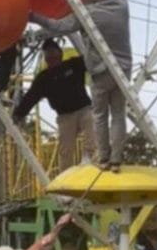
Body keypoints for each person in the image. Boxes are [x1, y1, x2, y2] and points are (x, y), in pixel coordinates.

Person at [30, 0, 132, 172]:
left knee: (100, 115)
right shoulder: (122, 4)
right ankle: (116, 160)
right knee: (118, 115)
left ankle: (103, 158)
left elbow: (58, 26)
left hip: (101, 73)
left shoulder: (87, 14)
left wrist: (34, 17)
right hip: (123, 69)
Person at [12, 39, 96, 167]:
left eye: (53, 53)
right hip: (65, 116)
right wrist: (19, 113)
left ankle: (89, 156)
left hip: (84, 109)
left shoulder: (73, 64)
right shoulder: (43, 78)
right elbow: (31, 97)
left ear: (60, 54)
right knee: (65, 149)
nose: (51, 57)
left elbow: (91, 59)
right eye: (48, 55)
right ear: (46, 59)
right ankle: (65, 174)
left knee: (92, 123)